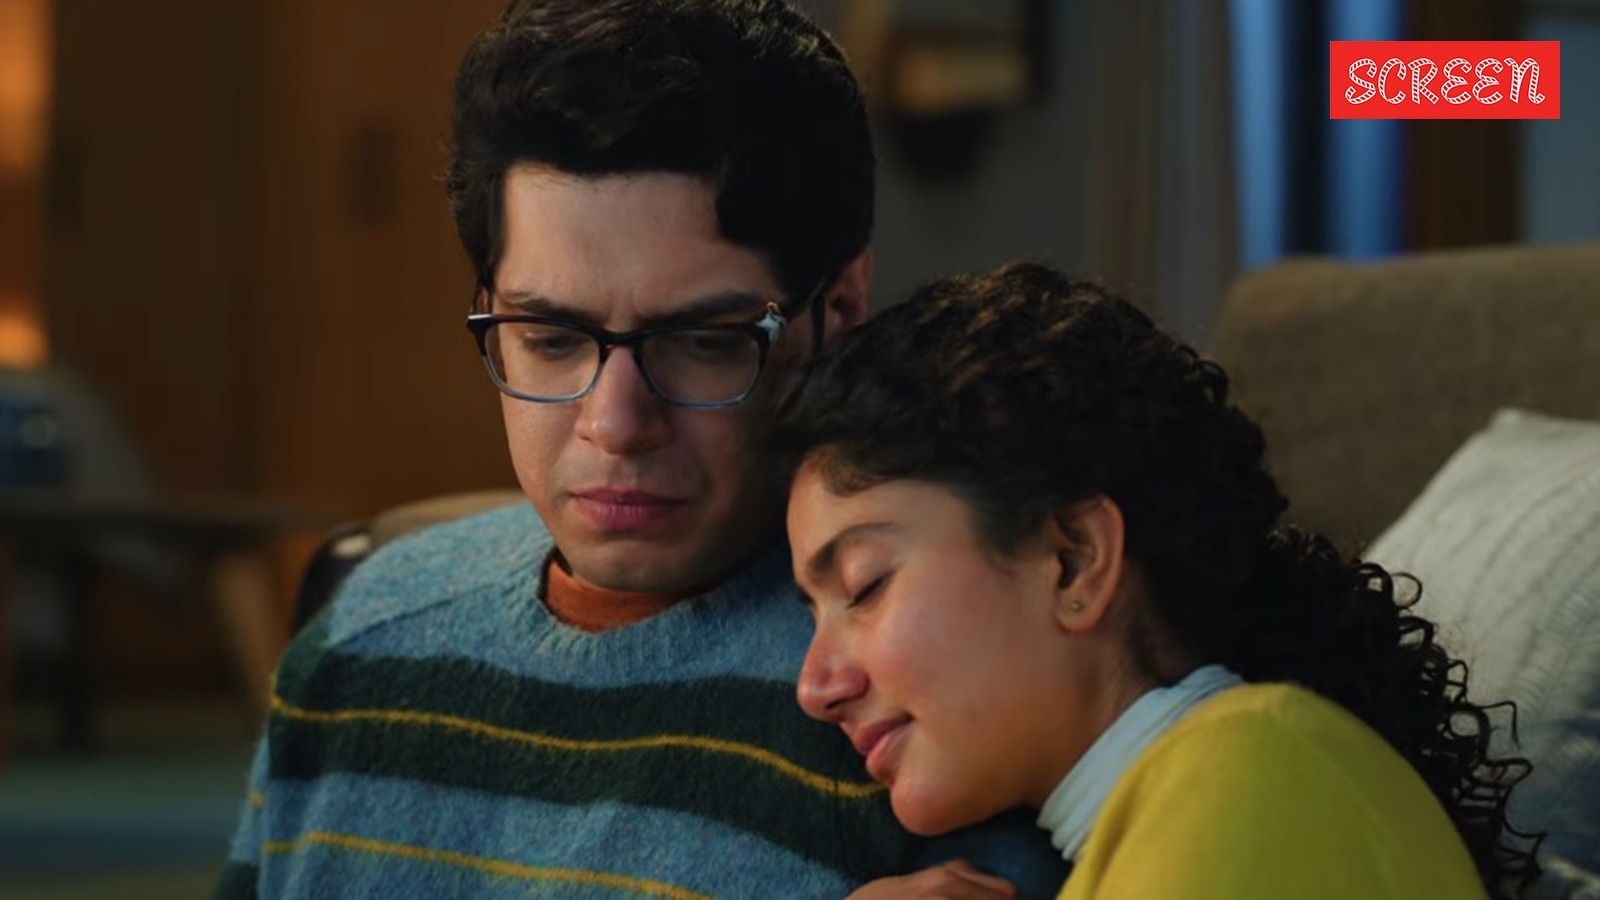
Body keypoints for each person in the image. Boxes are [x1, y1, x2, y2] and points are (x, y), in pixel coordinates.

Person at [214, 2, 1065, 898]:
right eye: (550, 339)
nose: (615, 423)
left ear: (839, 312)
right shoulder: (366, 629)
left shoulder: (917, 696)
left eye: (702, 342)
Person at [779, 262, 1544, 900]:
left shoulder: (1247, 776)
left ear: (1074, 560)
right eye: (812, 611)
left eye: (865, 586)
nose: (815, 686)